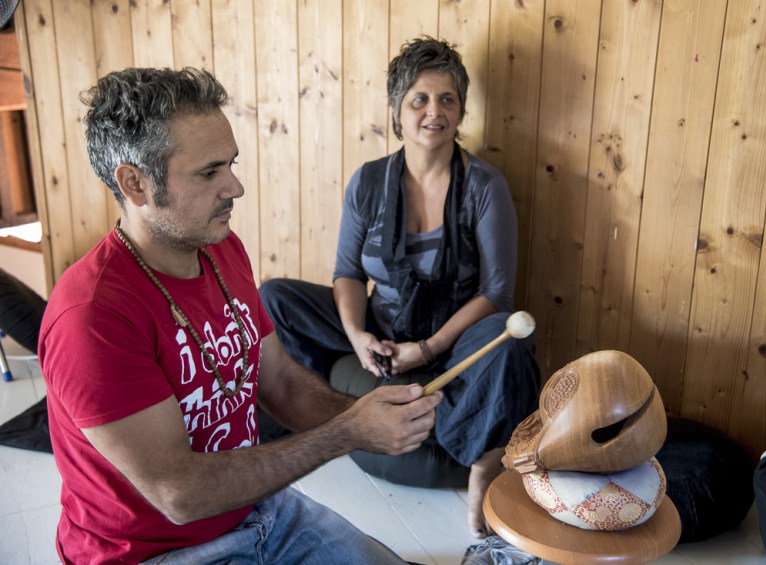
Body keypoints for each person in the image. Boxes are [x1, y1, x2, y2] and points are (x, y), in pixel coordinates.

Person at [38, 67, 443, 565]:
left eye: (230, 164)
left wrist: (368, 414)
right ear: (135, 184)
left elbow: (280, 382)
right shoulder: (91, 316)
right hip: (151, 553)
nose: (235, 187)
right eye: (209, 173)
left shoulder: (221, 248)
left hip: (254, 509)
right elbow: (180, 495)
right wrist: (347, 433)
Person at [259, 37, 540, 538]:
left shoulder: (484, 185)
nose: (435, 111)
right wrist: (358, 337)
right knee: (276, 298)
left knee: (510, 340)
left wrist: (427, 349)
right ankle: (312, 419)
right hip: (384, 322)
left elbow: (497, 294)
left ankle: (483, 461)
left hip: (456, 337)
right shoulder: (368, 182)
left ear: (461, 110)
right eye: (420, 99)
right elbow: (347, 273)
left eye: (447, 99)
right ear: (397, 109)